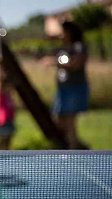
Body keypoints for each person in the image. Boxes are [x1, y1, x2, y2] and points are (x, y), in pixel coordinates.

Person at [41, 21, 89, 149]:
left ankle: (73, 151)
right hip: (63, 89)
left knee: (69, 121)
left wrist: (54, 62)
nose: (61, 34)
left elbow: (76, 64)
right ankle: (79, 147)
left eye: (63, 31)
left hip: (74, 88)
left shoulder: (78, 46)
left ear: (70, 32)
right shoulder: (63, 48)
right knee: (60, 121)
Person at [0, 66, 16, 150]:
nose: (11, 88)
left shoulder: (9, 96)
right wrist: (1, 69)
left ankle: (6, 156)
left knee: (8, 140)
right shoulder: (2, 94)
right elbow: (1, 81)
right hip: (3, 120)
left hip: (10, 120)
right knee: (2, 139)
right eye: (9, 86)